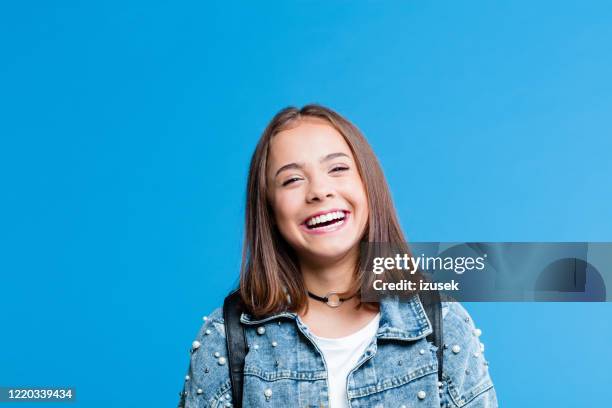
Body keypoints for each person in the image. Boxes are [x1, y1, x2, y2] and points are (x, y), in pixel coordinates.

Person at [178, 105, 498, 407]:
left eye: (338, 168)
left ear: (367, 185)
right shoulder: (227, 334)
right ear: (269, 209)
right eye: (291, 180)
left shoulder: (442, 322)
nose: (319, 190)